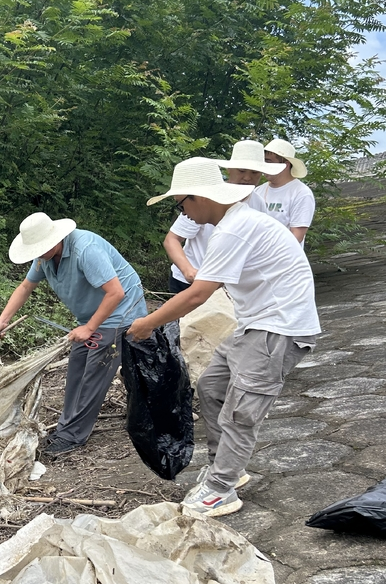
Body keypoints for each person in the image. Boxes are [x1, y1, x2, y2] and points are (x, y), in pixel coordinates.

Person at [129, 158, 320, 517]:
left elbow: (198, 294)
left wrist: (148, 324)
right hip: (255, 324)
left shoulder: (235, 228)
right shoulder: (232, 224)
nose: (182, 211)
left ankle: (221, 489)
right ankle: (227, 468)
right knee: (212, 387)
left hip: (280, 327)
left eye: (181, 203)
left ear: (199, 197)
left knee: (241, 412)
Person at [0, 212, 147, 456]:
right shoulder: (43, 258)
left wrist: (89, 328)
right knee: (77, 368)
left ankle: (73, 435)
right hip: (90, 315)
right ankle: (66, 427)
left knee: (94, 372)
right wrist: (3, 320)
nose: (37, 254)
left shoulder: (86, 249)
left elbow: (116, 293)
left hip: (120, 312)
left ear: (55, 239)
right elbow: (25, 287)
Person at [164, 140, 284, 293]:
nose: (247, 178)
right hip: (191, 281)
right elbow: (172, 239)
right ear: (229, 169)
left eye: (254, 172)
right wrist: (188, 270)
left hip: (228, 285)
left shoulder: (258, 203)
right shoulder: (206, 201)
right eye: (241, 171)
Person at [256, 138, 316, 245]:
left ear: (286, 165)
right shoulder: (258, 191)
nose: (264, 166)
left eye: (269, 161)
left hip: (283, 260)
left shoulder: (301, 193)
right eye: (264, 161)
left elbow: (296, 237)